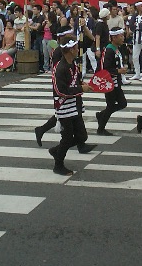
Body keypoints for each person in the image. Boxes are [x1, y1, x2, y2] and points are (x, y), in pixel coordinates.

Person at [48, 38, 94, 175]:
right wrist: (81, 88)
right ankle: (58, 165)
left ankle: (57, 150)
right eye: (75, 47)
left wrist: (82, 83)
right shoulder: (60, 68)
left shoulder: (72, 64)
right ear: (69, 50)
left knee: (82, 136)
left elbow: (76, 81)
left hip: (75, 105)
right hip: (64, 107)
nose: (77, 49)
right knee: (67, 138)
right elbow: (60, 91)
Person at [96, 28, 128, 136]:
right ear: (114, 38)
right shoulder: (109, 50)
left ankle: (102, 115)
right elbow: (105, 68)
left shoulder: (117, 48)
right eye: (121, 36)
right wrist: (118, 71)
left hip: (116, 82)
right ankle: (101, 128)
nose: (123, 38)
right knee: (110, 105)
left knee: (122, 103)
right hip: (109, 82)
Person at [128, 2, 142, 81]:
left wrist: (137, 25)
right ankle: (137, 73)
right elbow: (131, 26)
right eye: (141, 6)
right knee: (135, 57)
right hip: (136, 38)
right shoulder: (134, 16)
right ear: (137, 7)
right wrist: (139, 25)